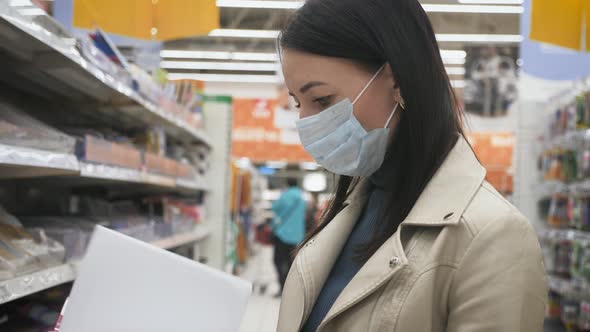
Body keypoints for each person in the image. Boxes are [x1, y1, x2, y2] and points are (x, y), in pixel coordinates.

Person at [276, 0, 547, 331]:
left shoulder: (493, 236)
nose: (305, 122)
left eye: (321, 100)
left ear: (397, 80)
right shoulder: (349, 212)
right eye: (296, 103)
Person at [271, 177, 306, 297]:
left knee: (278, 261)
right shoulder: (301, 198)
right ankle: (292, 290)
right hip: (297, 236)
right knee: (292, 263)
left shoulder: (285, 195)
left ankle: (282, 287)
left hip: (283, 234)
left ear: (287, 184)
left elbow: (274, 207)